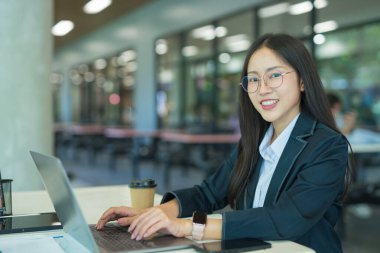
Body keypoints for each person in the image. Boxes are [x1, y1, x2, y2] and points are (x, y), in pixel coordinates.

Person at [96, 34, 351, 253]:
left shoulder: (327, 146)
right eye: (253, 79)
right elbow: (209, 193)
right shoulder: (255, 141)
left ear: (303, 81)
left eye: (274, 76)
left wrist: (187, 226)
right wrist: (159, 213)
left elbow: (286, 219)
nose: (262, 89)